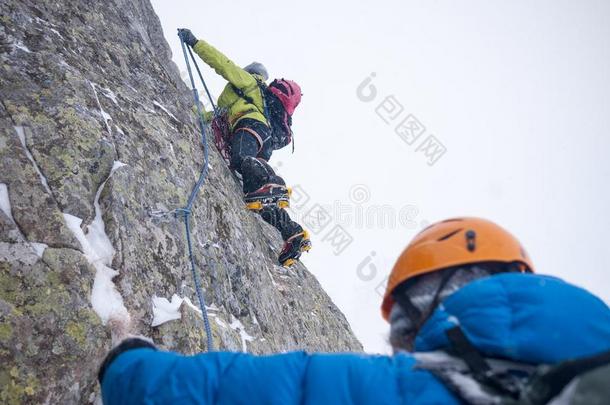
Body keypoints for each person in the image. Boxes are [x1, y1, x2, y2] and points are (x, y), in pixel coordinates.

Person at [98, 217, 610, 404]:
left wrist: (127, 362)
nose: (402, 342)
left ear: (444, 289)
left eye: (408, 319)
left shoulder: (423, 386)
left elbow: (243, 390)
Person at [178, 28, 310, 266]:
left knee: (241, 159)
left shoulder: (250, 83)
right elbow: (213, 117)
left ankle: (274, 184)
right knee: (256, 194)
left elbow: (223, 64)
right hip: (261, 138)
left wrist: (195, 43)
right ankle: (292, 233)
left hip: (250, 126)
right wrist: (192, 114)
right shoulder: (249, 103)